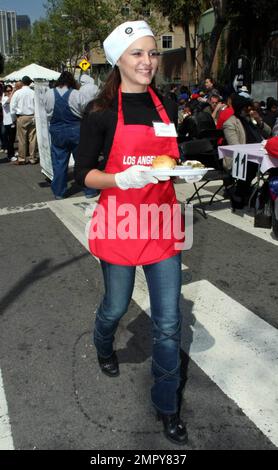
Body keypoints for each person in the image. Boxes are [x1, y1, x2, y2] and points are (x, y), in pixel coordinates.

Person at [75, 20, 187, 445]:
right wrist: (121, 179)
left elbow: (168, 164)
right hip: (119, 221)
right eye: (138, 54)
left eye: (153, 53)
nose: (148, 62)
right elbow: (86, 174)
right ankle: (104, 343)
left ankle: (166, 406)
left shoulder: (168, 105)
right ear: (118, 60)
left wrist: (180, 173)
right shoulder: (100, 112)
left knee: (169, 324)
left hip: (160, 224)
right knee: (115, 306)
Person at [44, 71, 98, 199]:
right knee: (82, 161)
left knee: (59, 162)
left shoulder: (49, 94)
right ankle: (90, 190)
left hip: (57, 130)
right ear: (71, 82)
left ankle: (59, 192)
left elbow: (47, 111)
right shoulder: (76, 94)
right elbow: (85, 110)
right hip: (75, 129)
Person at [223, 94, 271, 208]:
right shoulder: (230, 123)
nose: (250, 110)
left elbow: (268, 132)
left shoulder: (250, 120)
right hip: (240, 159)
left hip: (259, 154)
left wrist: (259, 120)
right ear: (241, 108)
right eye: (247, 107)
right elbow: (236, 148)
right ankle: (239, 194)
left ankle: (266, 193)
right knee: (250, 166)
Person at [10, 75, 38, 165]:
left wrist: (13, 119)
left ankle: (22, 158)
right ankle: (32, 158)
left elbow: (12, 107)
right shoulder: (33, 92)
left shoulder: (18, 93)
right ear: (30, 83)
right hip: (32, 116)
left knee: (22, 139)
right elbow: (37, 106)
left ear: (22, 82)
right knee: (32, 138)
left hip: (21, 117)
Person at [1, 84, 17, 162]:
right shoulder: (4, 98)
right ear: (5, 92)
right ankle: (10, 156)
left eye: (10, 90)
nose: (9, 92)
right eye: (8, 91)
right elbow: (8, 101)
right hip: (7, 122)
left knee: (12, 139)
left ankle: (12, 152)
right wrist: (13, 91)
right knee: (9, 140)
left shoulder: (13, 98)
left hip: (13, 121)